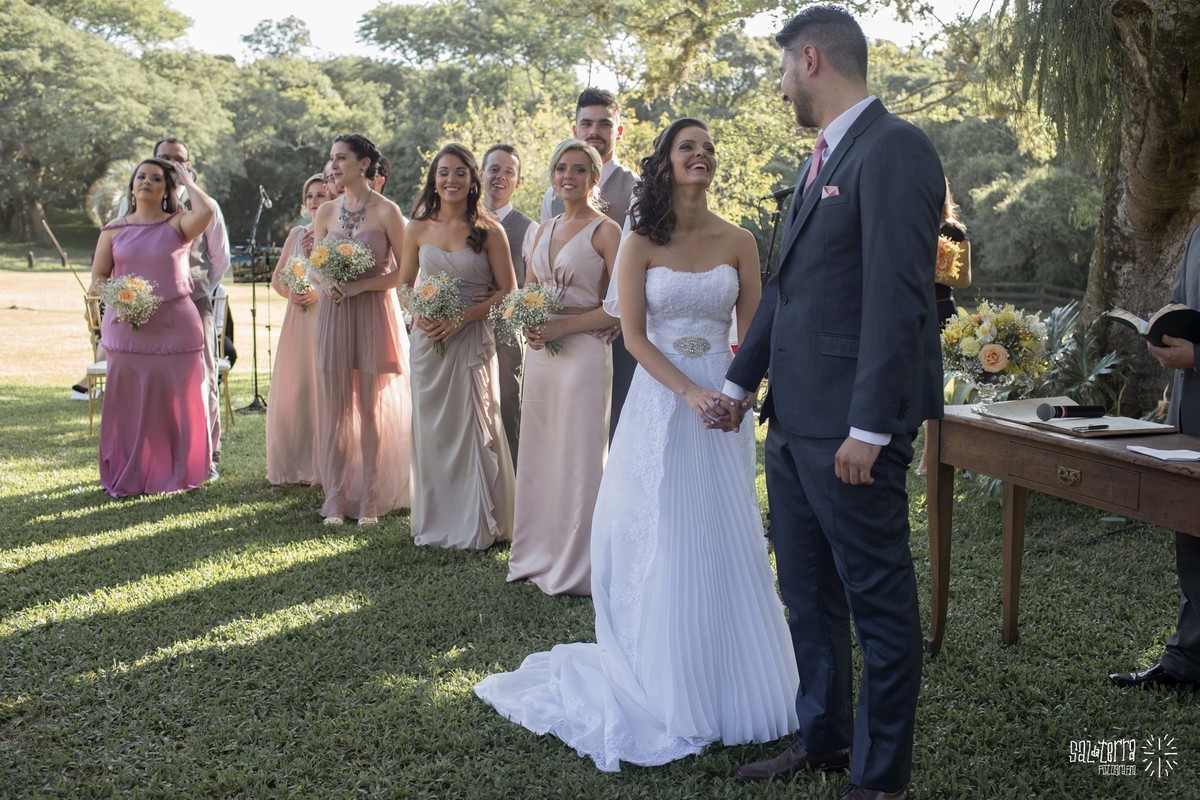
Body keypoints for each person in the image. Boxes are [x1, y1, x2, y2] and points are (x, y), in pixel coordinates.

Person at [476, 118, 799, 771]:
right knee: (666, 531)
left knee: (724, 529)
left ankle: (732, 673)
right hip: (663, 400)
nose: (702, 155)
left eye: (710, 148)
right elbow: (633, 336)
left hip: (723, 404)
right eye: (689, 148)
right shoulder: (640, 241)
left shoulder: (738, 240)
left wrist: (735, 395)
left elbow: (753, 331)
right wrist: (689, 394)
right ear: (667, 163)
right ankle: (665, 668)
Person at [719, 8, 945, 800]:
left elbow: (899, 294)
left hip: (851, 430)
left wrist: (870, 428)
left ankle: (880, 781)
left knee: (877, 602)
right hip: (793, 425)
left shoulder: (897, 149)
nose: (781, 86)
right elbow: (788, 290)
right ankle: (823, 739)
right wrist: (738, 383)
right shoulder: (821, 158)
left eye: (783, 69)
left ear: (809, 60)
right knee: (807, 593)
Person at [505, 140, 621, 596]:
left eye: (578, 169)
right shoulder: (539, 230)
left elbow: (620, 307)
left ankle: (578, 565)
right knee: (540, 452)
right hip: (541, 359)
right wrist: (526, 323)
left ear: (594, 179)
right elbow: (525, 294)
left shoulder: (607, 231)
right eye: (560, 168)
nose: (566, 176)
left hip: (585, 357)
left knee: (578, 457)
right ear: (552, 176)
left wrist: (562, 328)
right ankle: (538, 552)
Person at [401, 143, 517, 550]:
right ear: (434, 178)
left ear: (474, 181)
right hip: (427, 341)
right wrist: (420, 312)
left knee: (472, 426)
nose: (451, 180)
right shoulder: (416, 227)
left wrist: (462, 318)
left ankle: (475, 520)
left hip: (470, 339)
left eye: (460, 173)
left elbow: (508, 291)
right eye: (443, 172)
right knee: (431, 429)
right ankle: (435, 517)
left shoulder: (489, 231)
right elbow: (402, 284)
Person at [90, 158, 217, 496]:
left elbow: (207, 212)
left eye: (156, 178)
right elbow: (99, 279)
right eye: (141, 177)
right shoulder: (113, 229)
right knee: (128, 405)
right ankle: (130, 472)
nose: (147, 181)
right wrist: (121, 301)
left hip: (176, 326)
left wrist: (187, 179)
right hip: (127, 329)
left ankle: (179, 472)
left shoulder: (179, 224)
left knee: (177, 403)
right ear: (132, 186)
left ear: (166, 189)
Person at [1109, 224, 1200, 689]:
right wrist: (1162, 334)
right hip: (1191, 412)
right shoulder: (1197, 230)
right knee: (1192, 537)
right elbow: (1183, 308)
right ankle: (1186, 662)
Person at [312, 133, 412, 525]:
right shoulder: (325, 211)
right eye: (332, 159)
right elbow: (316, 263)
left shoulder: (388, 211)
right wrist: (327, 281)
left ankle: (369, 499)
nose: (334, 166)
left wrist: (361, 285)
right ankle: (335, 499)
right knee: (335, 409)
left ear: (364, 164)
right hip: (334, 313)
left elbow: (406, 273)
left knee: (369, 409)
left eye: (341, 159)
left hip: (372, 311)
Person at [540, 88, 637, 441]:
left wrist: (623, 318)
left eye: (603, 124)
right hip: (557, 333)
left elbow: (644, 262)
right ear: (575, 127)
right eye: (586, 123)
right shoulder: (552, 195)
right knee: (560, 427)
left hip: (616, 330)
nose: (594, 131)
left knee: (610, 427)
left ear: (618, 130)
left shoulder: (636, 189)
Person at [151, 138, 230, 481]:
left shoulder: (203, 204)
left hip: (195, 303)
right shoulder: (139, 203)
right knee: (159, 381)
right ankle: (163, 453)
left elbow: (220, 258)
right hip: (150, 307)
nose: (171, 164)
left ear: (188, 164)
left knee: (204, 378)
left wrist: (196, 288)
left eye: (178, 159)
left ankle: (208, 454)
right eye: (164, 158)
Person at [265, 174, 331, 485]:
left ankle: (324, 463)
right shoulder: (295, 235)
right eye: (311, 196)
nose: (316, 201)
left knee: (322, 386)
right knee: (298, 387)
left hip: (323, 315)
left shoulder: (337, 235)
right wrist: (290, 293)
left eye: (321, 195)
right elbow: (277, 278)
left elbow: (340, 278)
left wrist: (319, 292)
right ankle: (297, 462)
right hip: (297, 318)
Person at [481, 143, 535, 466]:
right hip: (462, 332)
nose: (500, 177)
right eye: (494, 169)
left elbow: (531, 289)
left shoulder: (529, 230)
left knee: (507, 409)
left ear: (518, 181)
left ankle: (511, 489)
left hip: (504, 334)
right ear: (481, 174)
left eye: (508, 172)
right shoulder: (459, 220)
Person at [916, 178, 972, 475]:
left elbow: (963, 279)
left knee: (933, 385)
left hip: (940, 312)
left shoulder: (954, 231)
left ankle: (930, 454)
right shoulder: (908, 224)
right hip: (910, 312)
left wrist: (933, 273)